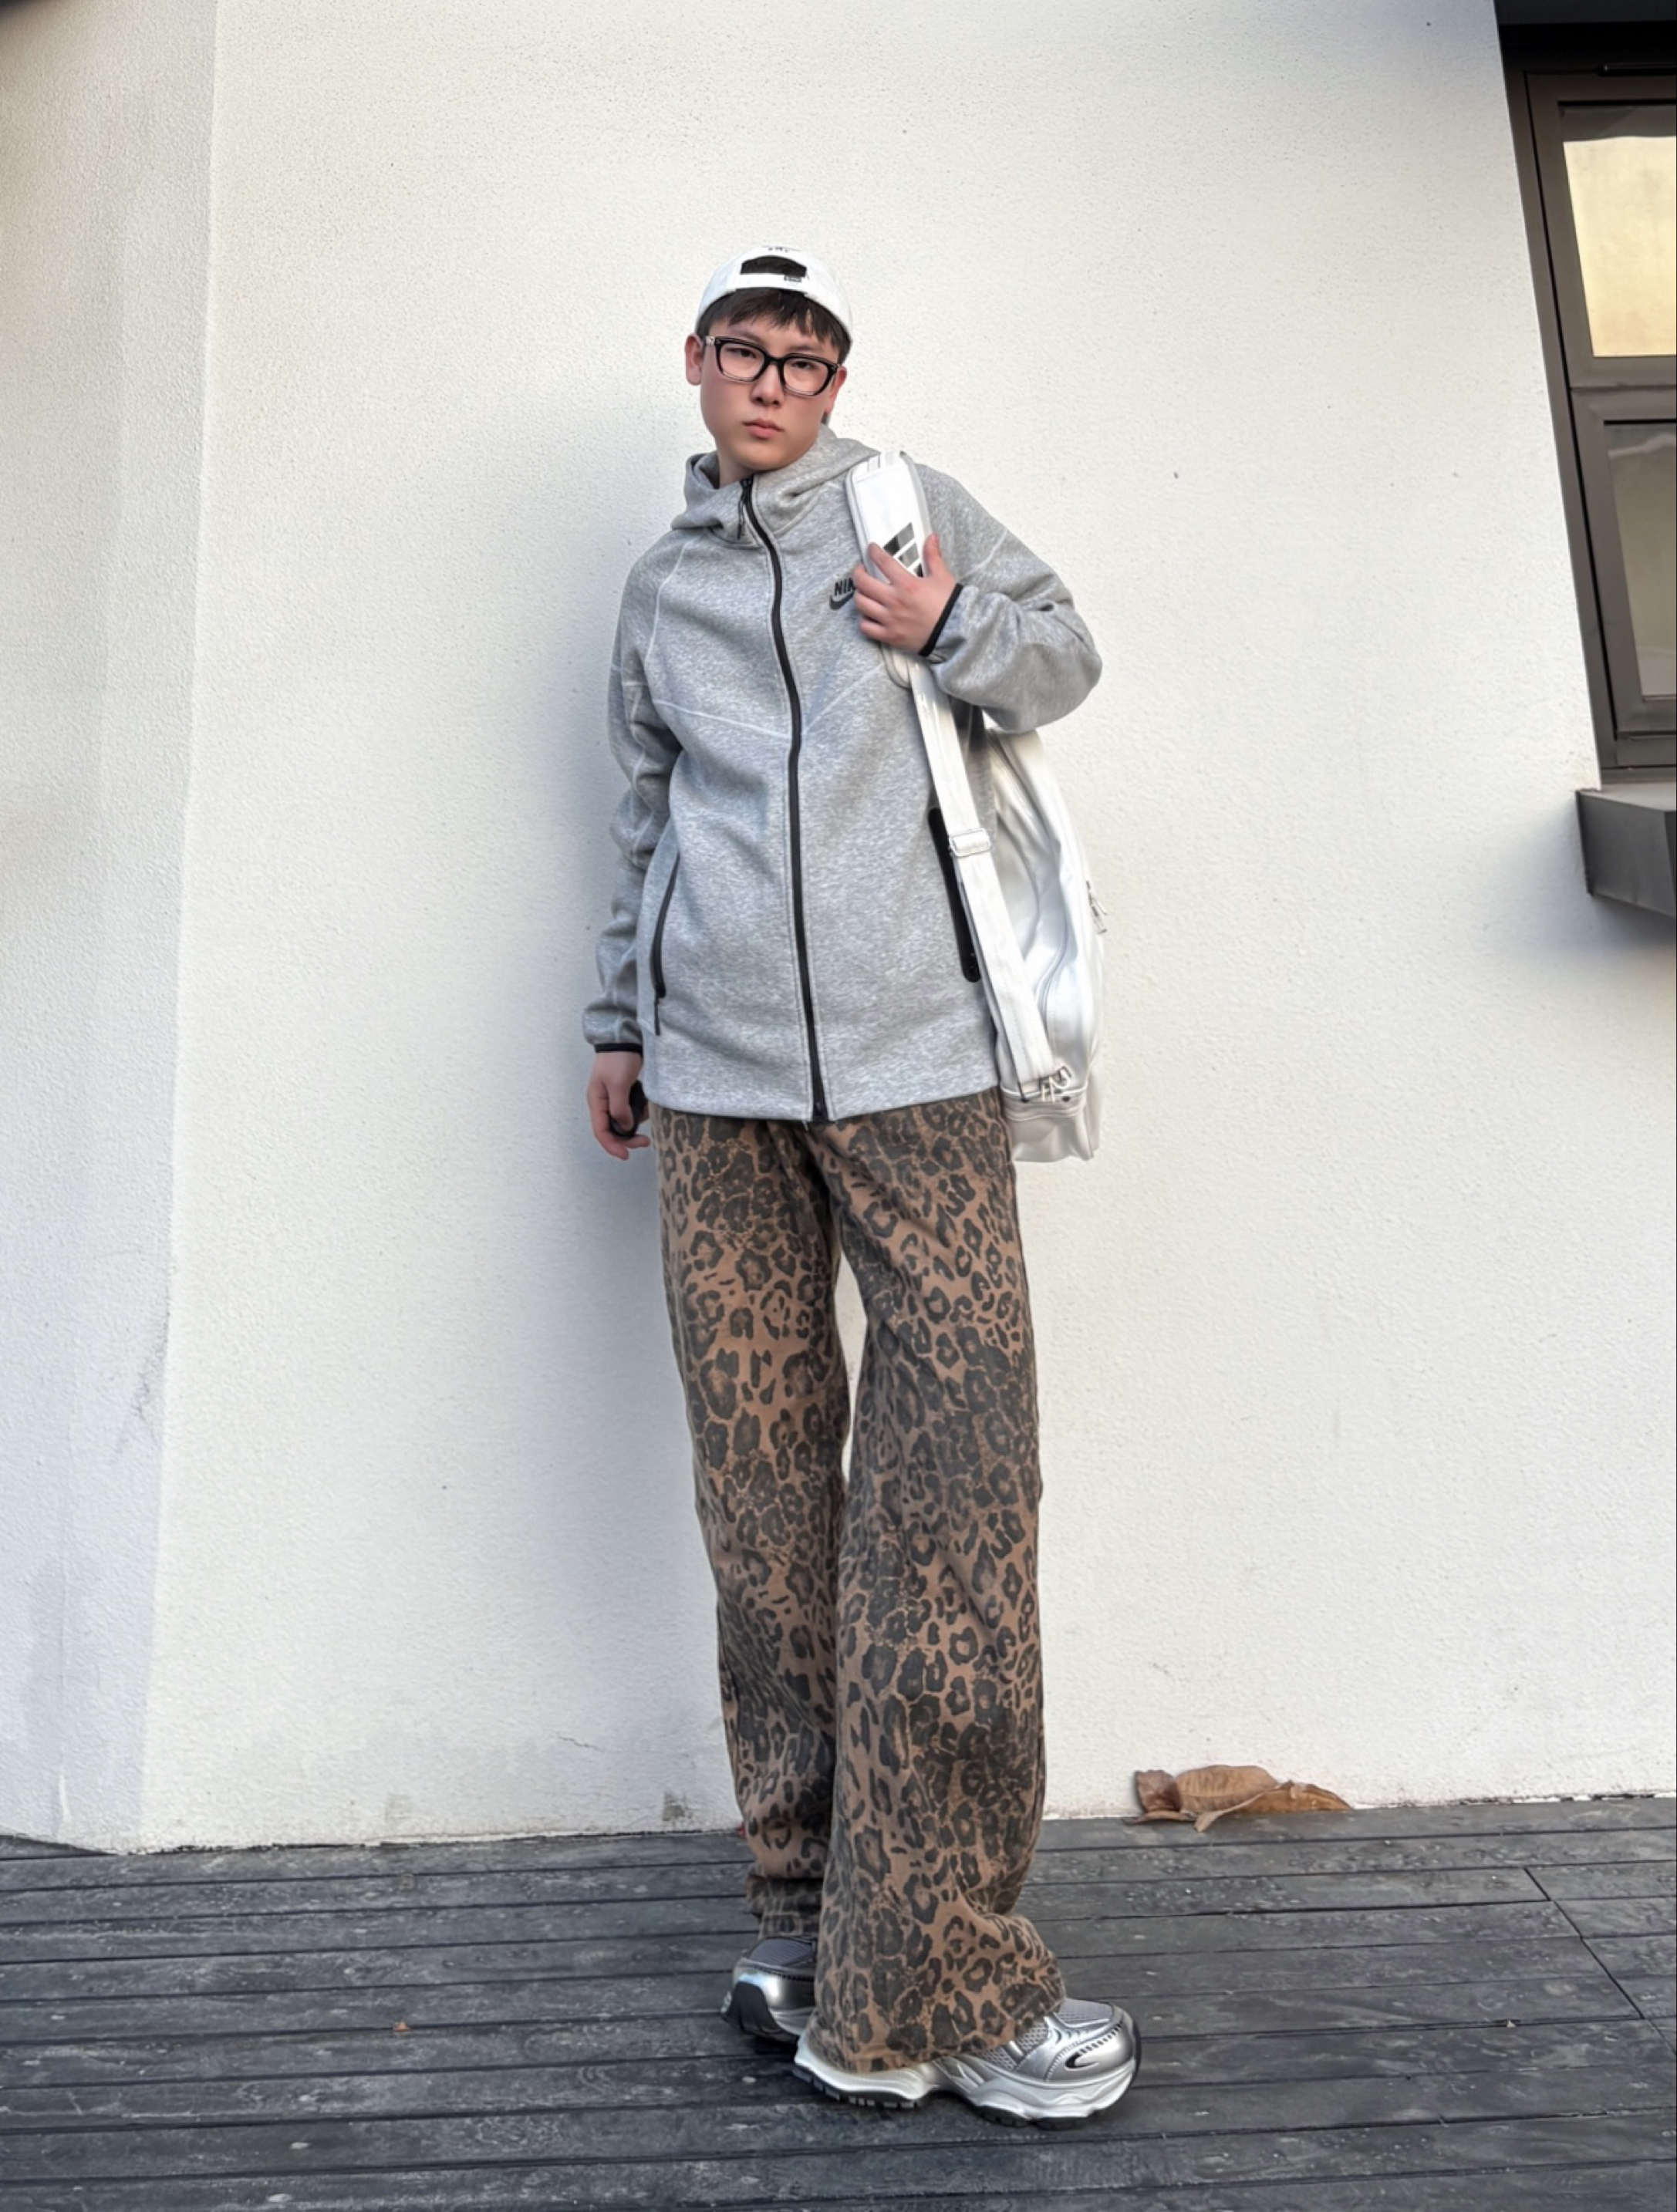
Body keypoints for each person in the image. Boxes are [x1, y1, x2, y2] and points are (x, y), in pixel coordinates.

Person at [582, 247, 1139, 2128]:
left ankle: (951, 1974)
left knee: (956, 1504)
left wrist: (947, 618)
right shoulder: (661, 589)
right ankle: (812, 1923)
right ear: (696, 364)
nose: (773, 379)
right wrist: (617, 1021)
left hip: (920, 1082)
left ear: (836, 384)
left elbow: (1063, 655)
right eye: (745, 350)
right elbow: (644, 817)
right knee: (764, 1517)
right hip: (715, 1095)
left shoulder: (907, 510)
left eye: (806, 358)